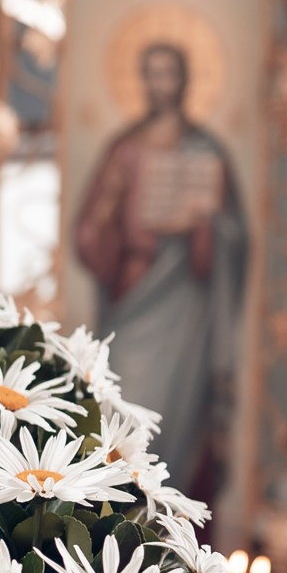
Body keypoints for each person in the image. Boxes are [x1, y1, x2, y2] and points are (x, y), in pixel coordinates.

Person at [70, 40, 246, 498]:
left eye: (169, 73)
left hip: (186, 309)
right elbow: (89, 236)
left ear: (185, 80)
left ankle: (164, 524)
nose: (160, 85)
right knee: (123, 411)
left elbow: (234, 241)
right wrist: (111, 215)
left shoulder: (208, 151)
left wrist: (206, 227)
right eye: (151, 73)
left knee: (177, 426)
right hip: (134, 297)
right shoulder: (124, 151)